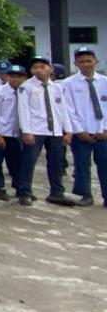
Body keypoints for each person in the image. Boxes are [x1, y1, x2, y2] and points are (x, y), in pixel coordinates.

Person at [14, 55, 75, 207]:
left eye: (43, 66)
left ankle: (57, 192)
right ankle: (25, 192)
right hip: (35, 129)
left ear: (50, 69)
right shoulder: (26, 87)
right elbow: (23, 110)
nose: (39, 70)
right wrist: (26, 131)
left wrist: (68, 130)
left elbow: (63, 110)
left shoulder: (57, 88)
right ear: (31, 70)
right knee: (29, 162)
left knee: (57, 162)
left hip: (54, 130)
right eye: (35, 67)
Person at [63, 47, 107, 207]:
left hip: (102, 132)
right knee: (82, 165)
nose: (86, 64)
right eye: (81, 61)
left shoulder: (105, 82)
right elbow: (69, 109)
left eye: (89, 60)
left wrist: (105, 129)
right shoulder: (69, 84)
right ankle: (85, 195)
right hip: (81, 133)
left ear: (96, 62)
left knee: (105, 164)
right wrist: (79, 130)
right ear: (76, 64)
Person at [0, 64, 26, 201]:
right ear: (7, 77)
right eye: (12, 76)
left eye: (19, 76)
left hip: (14, 133)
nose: (15, 79)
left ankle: (19, 187)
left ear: (24, 78)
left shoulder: (24, 92)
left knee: (16, 161)